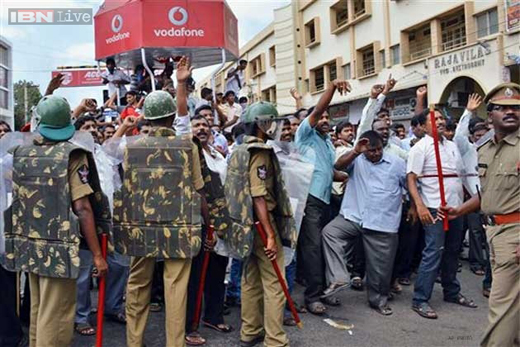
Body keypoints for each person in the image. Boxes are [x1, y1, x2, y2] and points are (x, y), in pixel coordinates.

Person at [116, 57, 210, 347]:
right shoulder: (187, 145)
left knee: (138, 285)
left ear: (147, 118)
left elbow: (106, 163)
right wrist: (210, 224)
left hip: (139, 227)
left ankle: (134, 342)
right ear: (170, 118)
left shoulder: (127, 147)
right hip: (179, 228)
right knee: (176, 289)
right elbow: (198, 189)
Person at [3, 95, 109, 346]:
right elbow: (82, 207)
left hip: (28, 245)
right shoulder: (73, 155)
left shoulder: (20, 152)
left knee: (39, 312)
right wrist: (97, 254)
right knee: (57, 316)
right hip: (59, 249)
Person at [439, 83, 520, 347]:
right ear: (490, 114)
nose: (510, 112)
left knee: (501, 305)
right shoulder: (484, 148)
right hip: (494, 234)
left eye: (516, 108)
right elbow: (487, 193)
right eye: (502, 108)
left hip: (515, 235)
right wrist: (459, 210)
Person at [225, 101, 296, 347]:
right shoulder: (260, 152)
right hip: (260, 224)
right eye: (272, 122)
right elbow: (258, 195)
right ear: (262, 124)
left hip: (244, 225)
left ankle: (250, 330)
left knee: (250, 279)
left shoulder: (239, 150)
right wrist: (269, 235)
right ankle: (275, 339)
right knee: (276, 282)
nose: (275, 127)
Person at [322, 131, 406, 315]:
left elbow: (410, 185)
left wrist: (415, 206)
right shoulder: (357, 159)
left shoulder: (397, 164)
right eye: (371, 151)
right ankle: (340, 277)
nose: (375, 153)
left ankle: (379, 301)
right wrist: (355, 151)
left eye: (378, 150)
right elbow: (337, 166)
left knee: (381, 269)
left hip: (382, 222)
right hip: (354, 217)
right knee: (330, 232)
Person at [407, 109, 477, 320]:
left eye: (441, 118)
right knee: (433, 251)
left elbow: (460, 176)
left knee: (453, 251)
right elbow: (411, 179)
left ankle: (451, 292)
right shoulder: (420, 148)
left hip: (456, 207)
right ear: (424, 125)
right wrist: (419, 206)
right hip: (434, 208)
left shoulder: (452, 145)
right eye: (434, 119)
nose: (440, 121)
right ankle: (420, 299)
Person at [295, 80, 351, 315]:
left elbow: (329, 172)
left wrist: (348, 175)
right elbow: (316, 110)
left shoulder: (327, 143)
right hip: (310, 199)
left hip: (326, 200)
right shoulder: (305, 134)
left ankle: (325, 290)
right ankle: (312, 296)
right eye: (322, 118)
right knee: (313, 248)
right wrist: (331, 88)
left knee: (326, 245)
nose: (325, 120)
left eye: (329, 118)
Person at [185, 115, 233, 345]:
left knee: (217, 269)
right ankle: (190, 325)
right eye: (197, 125)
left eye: (206, 125)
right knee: (195, 276)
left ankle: (213, 317)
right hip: (199, 222)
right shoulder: (189, 153)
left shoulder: (217, 155)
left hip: (220, 221)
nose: (202, 128)